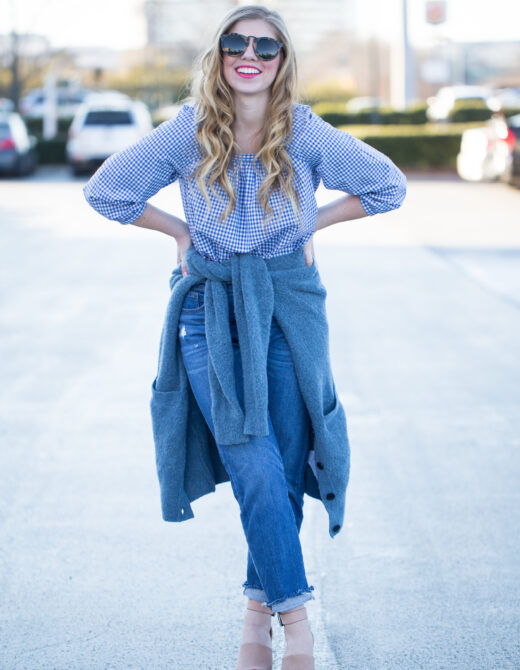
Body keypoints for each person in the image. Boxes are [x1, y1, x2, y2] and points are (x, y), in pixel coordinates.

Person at [83, 5, 407, 669]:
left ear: (283, 59)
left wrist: (313, 222)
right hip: (212, 304)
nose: (250, 54)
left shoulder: (305, 133)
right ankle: (297, 618)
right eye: (237, 43)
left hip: (288, 302)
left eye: (266, 45)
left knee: (285, 461)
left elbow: (386, 186)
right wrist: (178, 231)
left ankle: (256, 613)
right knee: (251, 456)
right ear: (220, 55)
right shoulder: (191, 131)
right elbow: (108, 191)